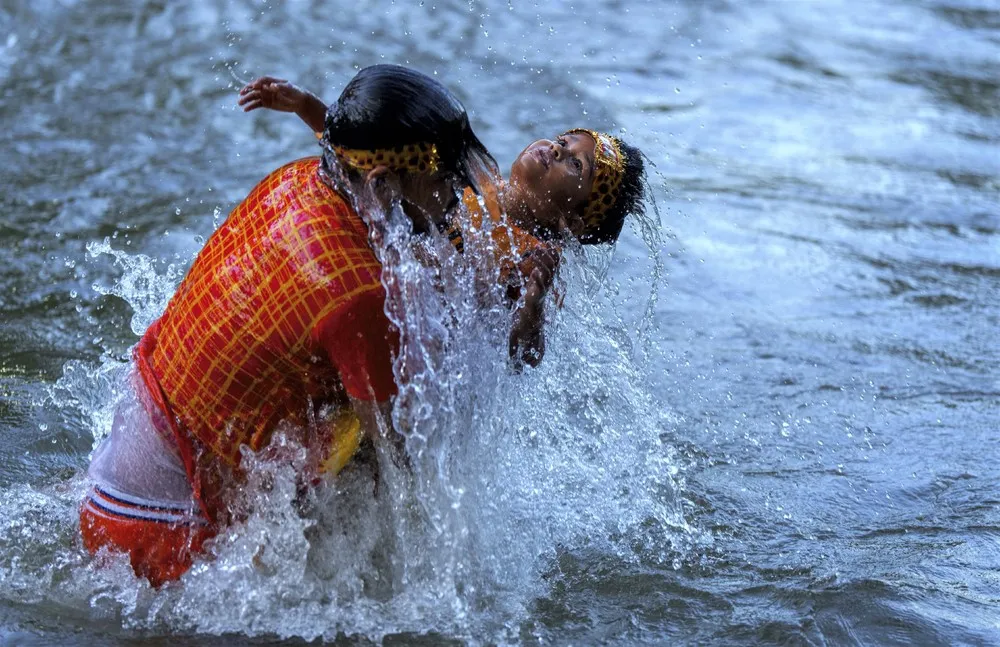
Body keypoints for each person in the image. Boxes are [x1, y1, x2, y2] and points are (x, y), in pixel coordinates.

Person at [80, 65, 502, 587]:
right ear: (383, 184)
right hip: (158, 532)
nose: (457, 198)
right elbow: (399, 467)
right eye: (444, 183)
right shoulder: (358, 299)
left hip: (126, 453)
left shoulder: (301, 178)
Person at [238, 76, 647, 367]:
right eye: (562, 141)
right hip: (370, 279)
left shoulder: (536, 259)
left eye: (575, 164)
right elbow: (380, 157)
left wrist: (531, 310)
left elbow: (520, 358)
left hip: (406, 332)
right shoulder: (468, 174)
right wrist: (307, 107)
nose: (555, 151)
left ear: (572, 221)